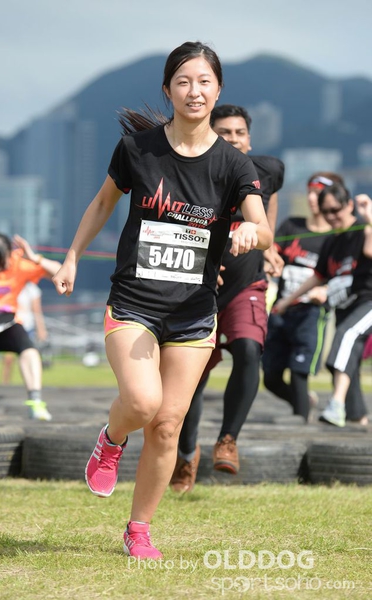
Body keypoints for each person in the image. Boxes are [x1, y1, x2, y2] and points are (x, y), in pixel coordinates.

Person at [52, 41, 273, 560]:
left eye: (204, 82)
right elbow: (102, 203)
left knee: (168, 424)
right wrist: (71, 258)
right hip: (134, 303)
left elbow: (263, 227)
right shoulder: (138, 149)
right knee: (142, 403)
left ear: (218, 90)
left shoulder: (233, 164)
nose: (194, 91)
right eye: (183, 82)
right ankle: (111, 439)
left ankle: (139, 529)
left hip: (194, 314)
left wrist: (250, 232)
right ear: (168, 89)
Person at [169, 104, 285, 493]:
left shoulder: (268, 169)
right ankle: (187, 455)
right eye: (225, 133)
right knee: (191, 380)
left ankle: (228, 440)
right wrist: (199, 260)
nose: (233, 139)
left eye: (239, 133)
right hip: (198, 289)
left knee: (249, 350)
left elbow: (269, 199)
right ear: (209, 135)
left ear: (249, 139)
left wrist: (269, 241)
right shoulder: (192, 173)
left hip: (247, 286)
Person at [273, 184, 370, 427]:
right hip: (346, 306)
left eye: (335, 209)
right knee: (349, 358)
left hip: (368, 302)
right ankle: (357, 416)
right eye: (326, 212)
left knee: (345, 336)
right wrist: (286, 301)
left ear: (349, 205)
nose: (331, 216)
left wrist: (369, 216)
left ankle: (336, 404)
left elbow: (370, 250)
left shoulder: (362, 230)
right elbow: (318, 276)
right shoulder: (332, 242)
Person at [262, 172, 345, 421]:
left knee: (299, 372)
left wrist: (326, 290)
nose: (311, 198)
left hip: (311, 314)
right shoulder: (291, 226)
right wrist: (268, 266)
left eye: (318, 193)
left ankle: (301, 420)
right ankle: (304, 402)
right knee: (271, 378)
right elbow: (271, 257)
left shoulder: (337, 238)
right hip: (281, 311)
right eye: (309, 192)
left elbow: (346, 273)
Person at [0, 220, 61, 420]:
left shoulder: (17, 262)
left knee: (29, 349)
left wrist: (35, 258)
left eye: (1, 266)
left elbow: (60, 272)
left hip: (7, 324)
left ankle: (35, 401)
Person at [2, 282, 48, 384]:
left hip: (27, 327)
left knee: (27, 356)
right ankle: (5, 384)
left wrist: (41, 329)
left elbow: (37, 310)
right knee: (8, 358)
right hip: (12, 325)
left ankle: (31, 384)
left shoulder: (32, 289)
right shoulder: (11, 283)